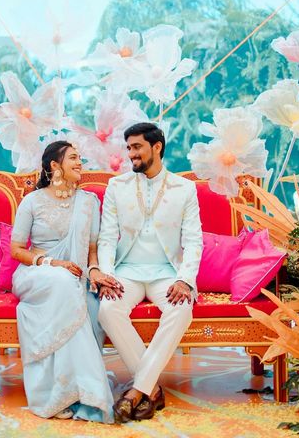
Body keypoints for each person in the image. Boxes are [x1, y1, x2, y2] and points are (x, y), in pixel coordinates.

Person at [97, 123, 203, 422]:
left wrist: (184, 279)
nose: (131, 154)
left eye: (136, 147)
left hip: (167, 273)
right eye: (128, 147)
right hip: (126, 272)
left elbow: (193, 240)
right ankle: (151, 389)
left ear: (156, 147)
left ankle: (136, 391)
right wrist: (107, 275)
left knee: (181, 309)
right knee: (107, 309)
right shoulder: (117, 187)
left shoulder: (185, 188)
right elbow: (106, 238)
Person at [11, 140, 122, 423]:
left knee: (87, 298)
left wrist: (95, 271)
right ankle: (54, 393)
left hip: (77, 273)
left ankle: (82, 393)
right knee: (62, 283)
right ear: (54, 166)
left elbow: (92, 251)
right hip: (37, 274)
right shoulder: (32, 201)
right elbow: (17, 250)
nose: (79, 162)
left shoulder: (88, 202)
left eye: (80, 158)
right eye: (73, 157)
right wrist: (52, 263)